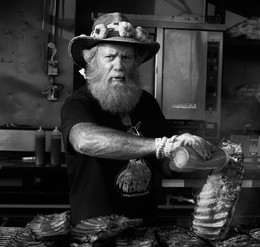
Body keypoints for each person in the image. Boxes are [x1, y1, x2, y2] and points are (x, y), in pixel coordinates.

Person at [60, 12, 216, 226]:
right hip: (95, 234)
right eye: (110, 57)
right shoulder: (79, 104)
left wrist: (189, 155)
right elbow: (84, 140)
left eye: (126, 57)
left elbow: (166, 165)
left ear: (135, 63)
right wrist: (162, 145)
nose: (119, 65)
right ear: (92, 61)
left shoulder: (147, 103)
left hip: (145, 232)